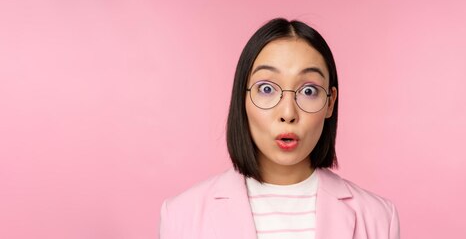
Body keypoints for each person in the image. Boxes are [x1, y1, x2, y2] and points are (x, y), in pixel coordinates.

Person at [159, 18, 400, 239]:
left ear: (330, 102)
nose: (288, 114)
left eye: (308, 91)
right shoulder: (181, 216)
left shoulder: (379, 218)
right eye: (266, 89)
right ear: (241, 98)